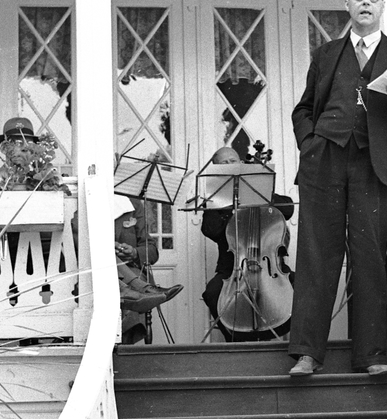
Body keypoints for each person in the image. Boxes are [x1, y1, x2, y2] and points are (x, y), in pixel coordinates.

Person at [287, 0, 387, 377]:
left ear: (382, 6)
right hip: (324, 161)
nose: (365, 3)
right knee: (316, 254)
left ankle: (371, 354)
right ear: (348, 5)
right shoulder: (326, 54)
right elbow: (304, 109)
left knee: (369, 256)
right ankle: (307, 353)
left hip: (374, 164)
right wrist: (310, 144)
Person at [199, 146, 295, 341]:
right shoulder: (216, 200)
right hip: (232, 270)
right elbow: (211, 230)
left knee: (303, 289)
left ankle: (286, 343)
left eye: (233, 161)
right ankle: (237, 341)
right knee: (212, 292)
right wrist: (221, 202)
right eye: (223, 163)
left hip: (271, 269)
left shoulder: (260, 192)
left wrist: (260, 193)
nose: (229, 165)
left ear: (241, 163)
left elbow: (288, 209)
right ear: (217, 170)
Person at [111, 195, 182, 342]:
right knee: (129, 289)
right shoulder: (83, 203)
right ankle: (145, 290)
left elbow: (151, 250)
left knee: (134, 281)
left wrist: (135, 252)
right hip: (98, 272)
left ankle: (124, 346)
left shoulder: (131, 204)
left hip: (130, 270)